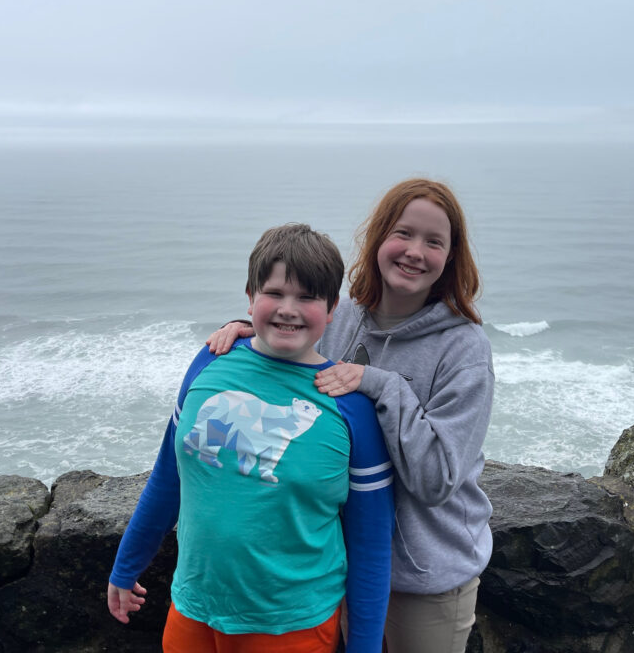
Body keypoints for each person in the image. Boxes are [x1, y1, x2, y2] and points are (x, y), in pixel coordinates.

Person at [209, 179, 494, 653]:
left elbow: (438, 478)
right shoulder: (341, 317)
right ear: (380, 237)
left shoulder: (464, 348)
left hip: (422, 576)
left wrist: (380, 383)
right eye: (403, 233)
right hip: (341, 560)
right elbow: (290, 367)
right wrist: (249, 333)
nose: (415, 252)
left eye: (434, 241)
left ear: (451, 256)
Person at [109, 223, 395, 653]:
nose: (288, 309)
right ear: (250, 295)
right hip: (192, 608)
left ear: (333, 307)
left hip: (292, 626)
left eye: (307, 297)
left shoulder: (351, 407)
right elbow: (169, 479)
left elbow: (371, 543)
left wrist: (366, 647)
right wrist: (124, 568)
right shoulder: (210, 361)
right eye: (275, 293)